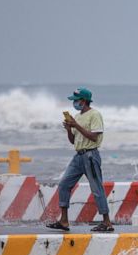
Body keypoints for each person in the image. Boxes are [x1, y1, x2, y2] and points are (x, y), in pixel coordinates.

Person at [47, 87, 113, 232]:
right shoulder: (77, 117)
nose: (74, 103)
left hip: (90, 155)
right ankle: (64, 221)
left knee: (97, 189)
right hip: (78, 156)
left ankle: (107, 222)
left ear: (83, 101)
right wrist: (69, 129)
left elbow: (94, 136)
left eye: (76, 100)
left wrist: (76, 125)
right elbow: (73, 141)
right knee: (64, 184)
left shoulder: (94, 115)